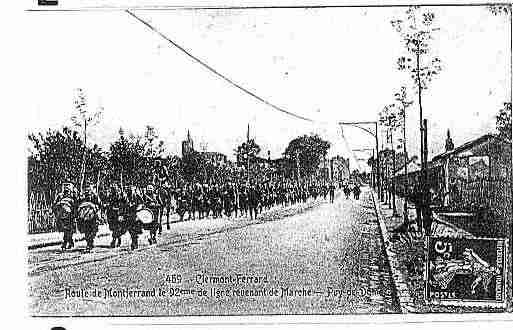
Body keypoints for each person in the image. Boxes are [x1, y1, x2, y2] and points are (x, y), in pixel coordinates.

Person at [52, 182, 78, 250]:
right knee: (65, 229)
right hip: (61, 214)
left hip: (70, 215)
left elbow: (76, 205)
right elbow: (54, 204)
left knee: (68, 229)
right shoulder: (60, 196)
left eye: (68, 188)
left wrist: (75, 214)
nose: (66, 189)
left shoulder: (73, 196)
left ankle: (65, 242)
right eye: (65, 188)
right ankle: (70, 241)